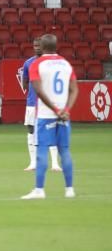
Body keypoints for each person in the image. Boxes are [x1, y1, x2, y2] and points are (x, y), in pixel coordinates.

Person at [21, 34, 78, 200]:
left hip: (46, 114)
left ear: (42, 47)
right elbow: (74, 89)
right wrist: (66, 109)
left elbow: (37, 89)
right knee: (65, 150)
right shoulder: (66, 64)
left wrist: (53, 108)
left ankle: (39, 190)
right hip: (64, 115)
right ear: (55, 46)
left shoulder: (36, 64)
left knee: (42, 149)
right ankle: (69, 189)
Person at [18, 38, 60, 172]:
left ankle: (54, 163)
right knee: (31, 131)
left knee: (51, 130)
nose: (36, 48)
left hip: (47, 102)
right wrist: (31, 92)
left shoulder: (51, 63)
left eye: (39, 45)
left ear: (44, 46)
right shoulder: (28, 63)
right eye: (34, 45)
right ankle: (33, 163)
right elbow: (25, 81)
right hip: (32, 103)